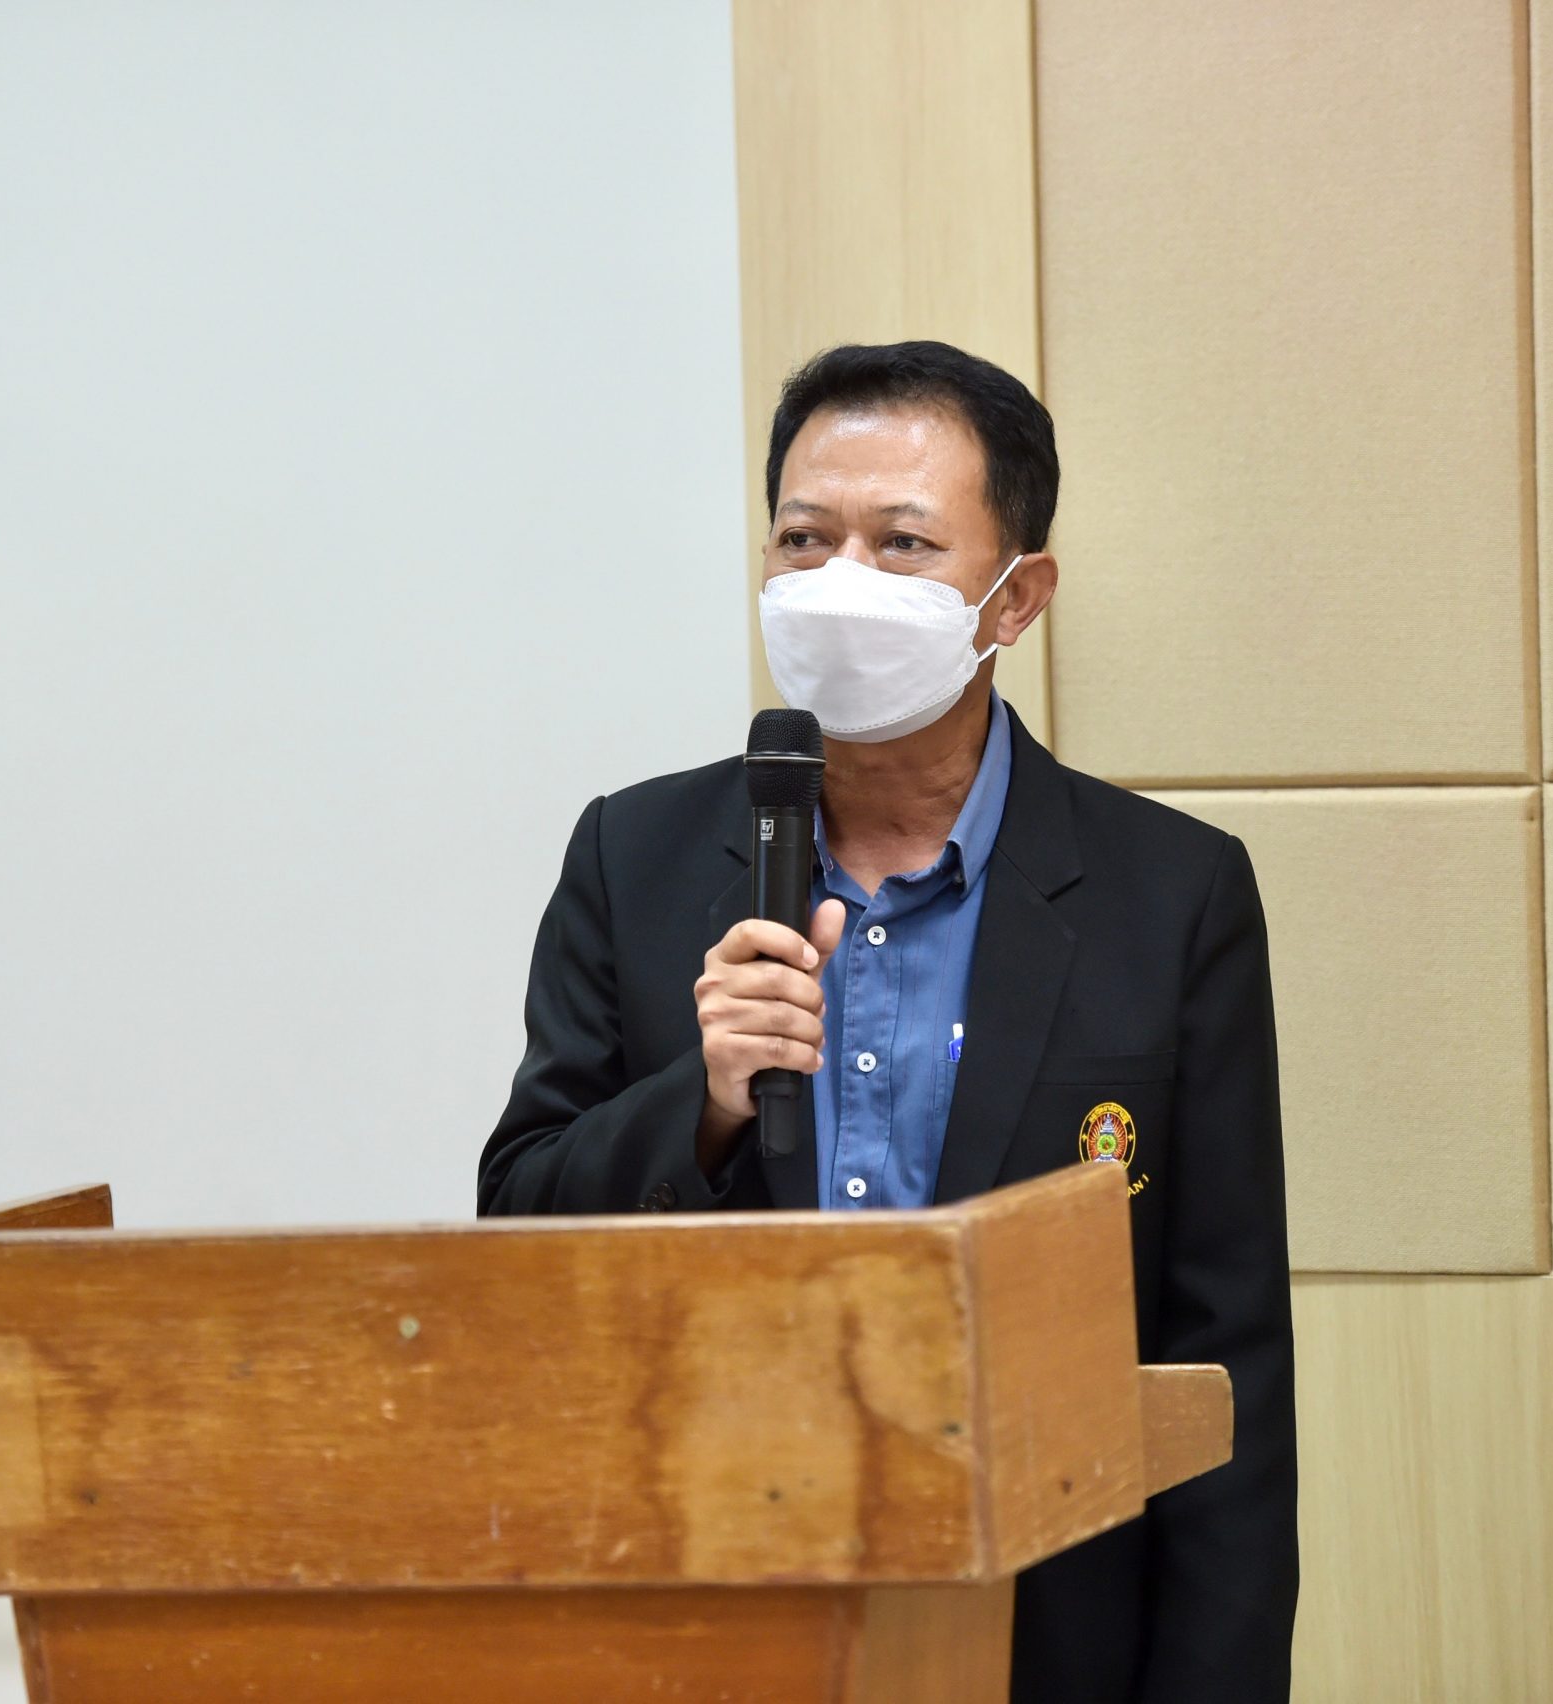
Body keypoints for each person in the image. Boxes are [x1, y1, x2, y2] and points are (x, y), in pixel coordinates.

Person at [477, 340, 1295, 1702]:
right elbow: (519, 1227)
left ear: (1015, 596)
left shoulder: (1171, 892)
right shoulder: (635, 856)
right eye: (805, 539)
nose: (839, 581)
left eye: (902, 543)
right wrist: (704, 1102)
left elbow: (1224, 1348)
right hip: (708, 1607)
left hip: (1047, 1624)